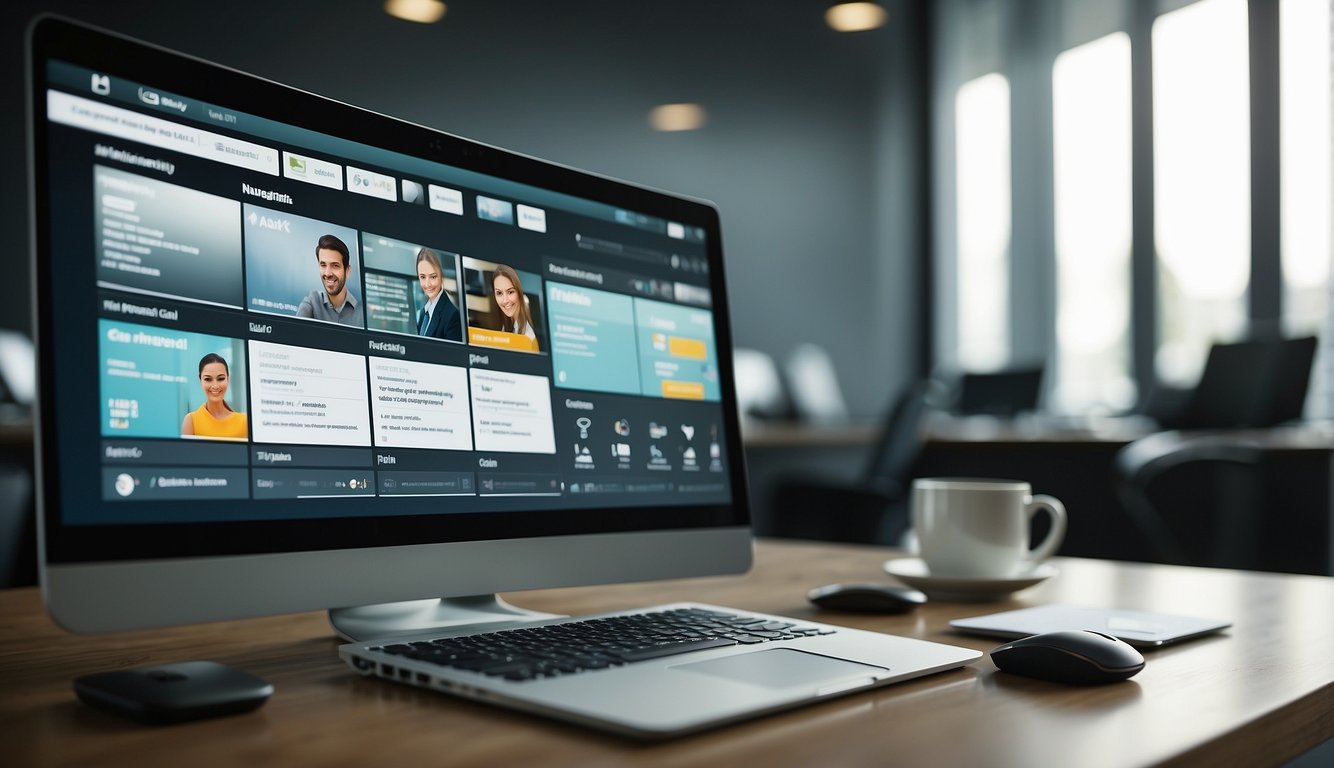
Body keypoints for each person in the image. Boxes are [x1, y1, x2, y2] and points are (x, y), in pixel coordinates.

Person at [297, 234, 363, 327]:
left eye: (335, 265)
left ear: (347, 270)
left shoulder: (362, 312)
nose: (327, 273)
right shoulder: (311, 303)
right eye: (323, 265)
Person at [181, 353, 247, 440]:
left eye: (220, 379)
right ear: (200, 381)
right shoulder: (191, 420)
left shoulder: (244, 421)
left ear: (228, 379)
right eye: (208, 379)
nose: (215, 386)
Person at [415, 247, 462, 342]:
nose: (427, 284)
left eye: (433, 277)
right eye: (423, 277)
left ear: (441, 275)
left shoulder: (453, 316)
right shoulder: (422, 314)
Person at [491, 264, 537, 347]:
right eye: (499, 293)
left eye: (510, 292)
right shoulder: (508, 325)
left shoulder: (528, 336)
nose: (505, 301)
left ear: (519, 291)